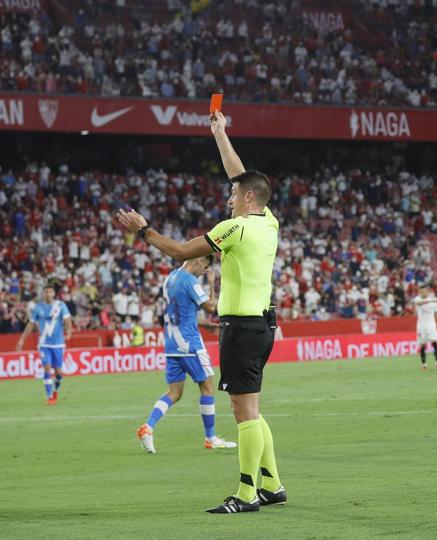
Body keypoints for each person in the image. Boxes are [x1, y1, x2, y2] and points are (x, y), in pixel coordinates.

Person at [116, 110, 285, 514]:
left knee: (243, 411)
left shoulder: (234, 229)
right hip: (262, 324)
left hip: (241, 328)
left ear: (246, 199)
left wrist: (143, 230)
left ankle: (246, 494)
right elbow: (242, 177)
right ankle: (273, 485)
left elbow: (177, 251)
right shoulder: (269, 222)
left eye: (233, 195)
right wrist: (221, 134)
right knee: (252, 408)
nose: (228, 199)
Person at [136, 256, 237, 454]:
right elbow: (210, 306)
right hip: (189, 344)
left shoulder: (170, 278)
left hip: (172, 343)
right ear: (198, 260)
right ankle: (211, 438)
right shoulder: (190, 280)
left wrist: (204, 325)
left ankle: (147, 428)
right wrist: (211, 284)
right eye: (205, 267)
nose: (203, 272)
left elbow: (180, 312)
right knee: (208, 385)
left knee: (174, 393)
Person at [16, 283, 73, 405]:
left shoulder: (60, 305)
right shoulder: (38, 308)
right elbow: (30, 325)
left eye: (50, 291)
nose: (48, 294)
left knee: (58, 373)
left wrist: (68, 331)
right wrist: (22, 340)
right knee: (47, 368)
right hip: (44, 343)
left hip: (58, 344)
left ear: (54, 293)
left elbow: (67, 320)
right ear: (43, 293)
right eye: (46, 291)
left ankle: (55, 390)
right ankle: (49, 397)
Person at [414, 284, 437, 370]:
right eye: (421, 291)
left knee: (434, 342)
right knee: (423, 345)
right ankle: (424, 364)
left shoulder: (433, 301)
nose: (422, 292)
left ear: (427, 291)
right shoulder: (417, 299)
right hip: (421, 327)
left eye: (424, 291)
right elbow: (418, 303)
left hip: (431, 326)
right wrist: (430, 301)